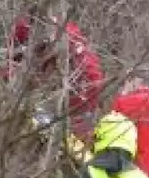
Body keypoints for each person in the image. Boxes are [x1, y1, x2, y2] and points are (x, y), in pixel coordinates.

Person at [6, 8, 105, 139]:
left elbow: (44, 64)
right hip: (87, 83)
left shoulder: (52, 35)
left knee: (60, 127)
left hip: (84, 85)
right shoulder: (59, 29)